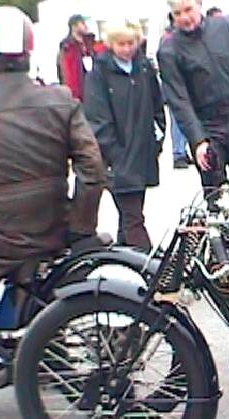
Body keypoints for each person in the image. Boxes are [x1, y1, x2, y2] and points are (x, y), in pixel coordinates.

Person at [0, 7, 105, 419]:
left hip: (0, 235)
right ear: (28, 55)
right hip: (52, 229)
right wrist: (78, 226)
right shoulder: (61, 99)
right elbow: (93, 170)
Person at [158, 0, 229, 226]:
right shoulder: (169, 50)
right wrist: (198, 140)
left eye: (188, 10)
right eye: (177, 13)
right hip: (207, 130)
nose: (185, 18)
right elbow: (179, 100)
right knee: (219, 205)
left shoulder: (228, 26)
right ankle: (224, 246)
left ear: (199, 4)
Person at [84, 21, 166, 251]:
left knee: (129, 218)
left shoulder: (144, 68)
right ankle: (150, 263)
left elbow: (157, 105)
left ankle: (125, 259)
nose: (127, 49)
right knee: (133, 219)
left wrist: (157, 140)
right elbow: (97, 118)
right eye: (121, 44)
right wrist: (114, 153)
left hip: (142, 153)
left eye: (131, 43)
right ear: (111, 44)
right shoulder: (99, 74)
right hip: (118, 159)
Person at [161, 13, 191, 169]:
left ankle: (183, 151)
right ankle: (178, 153)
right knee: (178, 121)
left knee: (187, 120)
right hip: (175, 87)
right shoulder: (169, 39)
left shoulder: (181, 38)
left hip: (186, 85)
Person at [57, 14, 96, 101]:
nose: (86, 26)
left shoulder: (89, 43)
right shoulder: (67, 47)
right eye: (82, 23)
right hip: (77, 94)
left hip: (92, 90)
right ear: (74, 26)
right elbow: (67, 73)